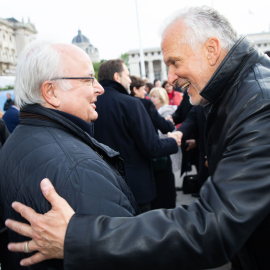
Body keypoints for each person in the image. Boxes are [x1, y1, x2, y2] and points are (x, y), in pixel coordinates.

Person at [6, 5, 270, 270]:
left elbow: (213, 227)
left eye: (175, 62)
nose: (169, 79)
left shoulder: (259, 103)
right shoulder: (241, 95)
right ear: (50, 91)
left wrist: (77, 237)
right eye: (87, 79)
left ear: (211, 50)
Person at [0, 40, 140, 270]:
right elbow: (129, 257)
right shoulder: (78, 167)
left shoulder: (15, 141)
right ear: (51, 92)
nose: (100, 88)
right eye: (87, 79)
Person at [94, 60, 181, 213]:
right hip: (136, 189)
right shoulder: (131, 104)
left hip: (103, 188)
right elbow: (151, 147)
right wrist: (173, 141)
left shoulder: (91, 104)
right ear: (117, 76)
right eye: (127, 75)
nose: (129, 80)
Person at [149, 87, 181, 209]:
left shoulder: (166, 111)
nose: (151, 99)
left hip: (167, 148)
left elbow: (167, 131)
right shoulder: (154, 111)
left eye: (154, 97)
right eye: (151, 96)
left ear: (161, 98)